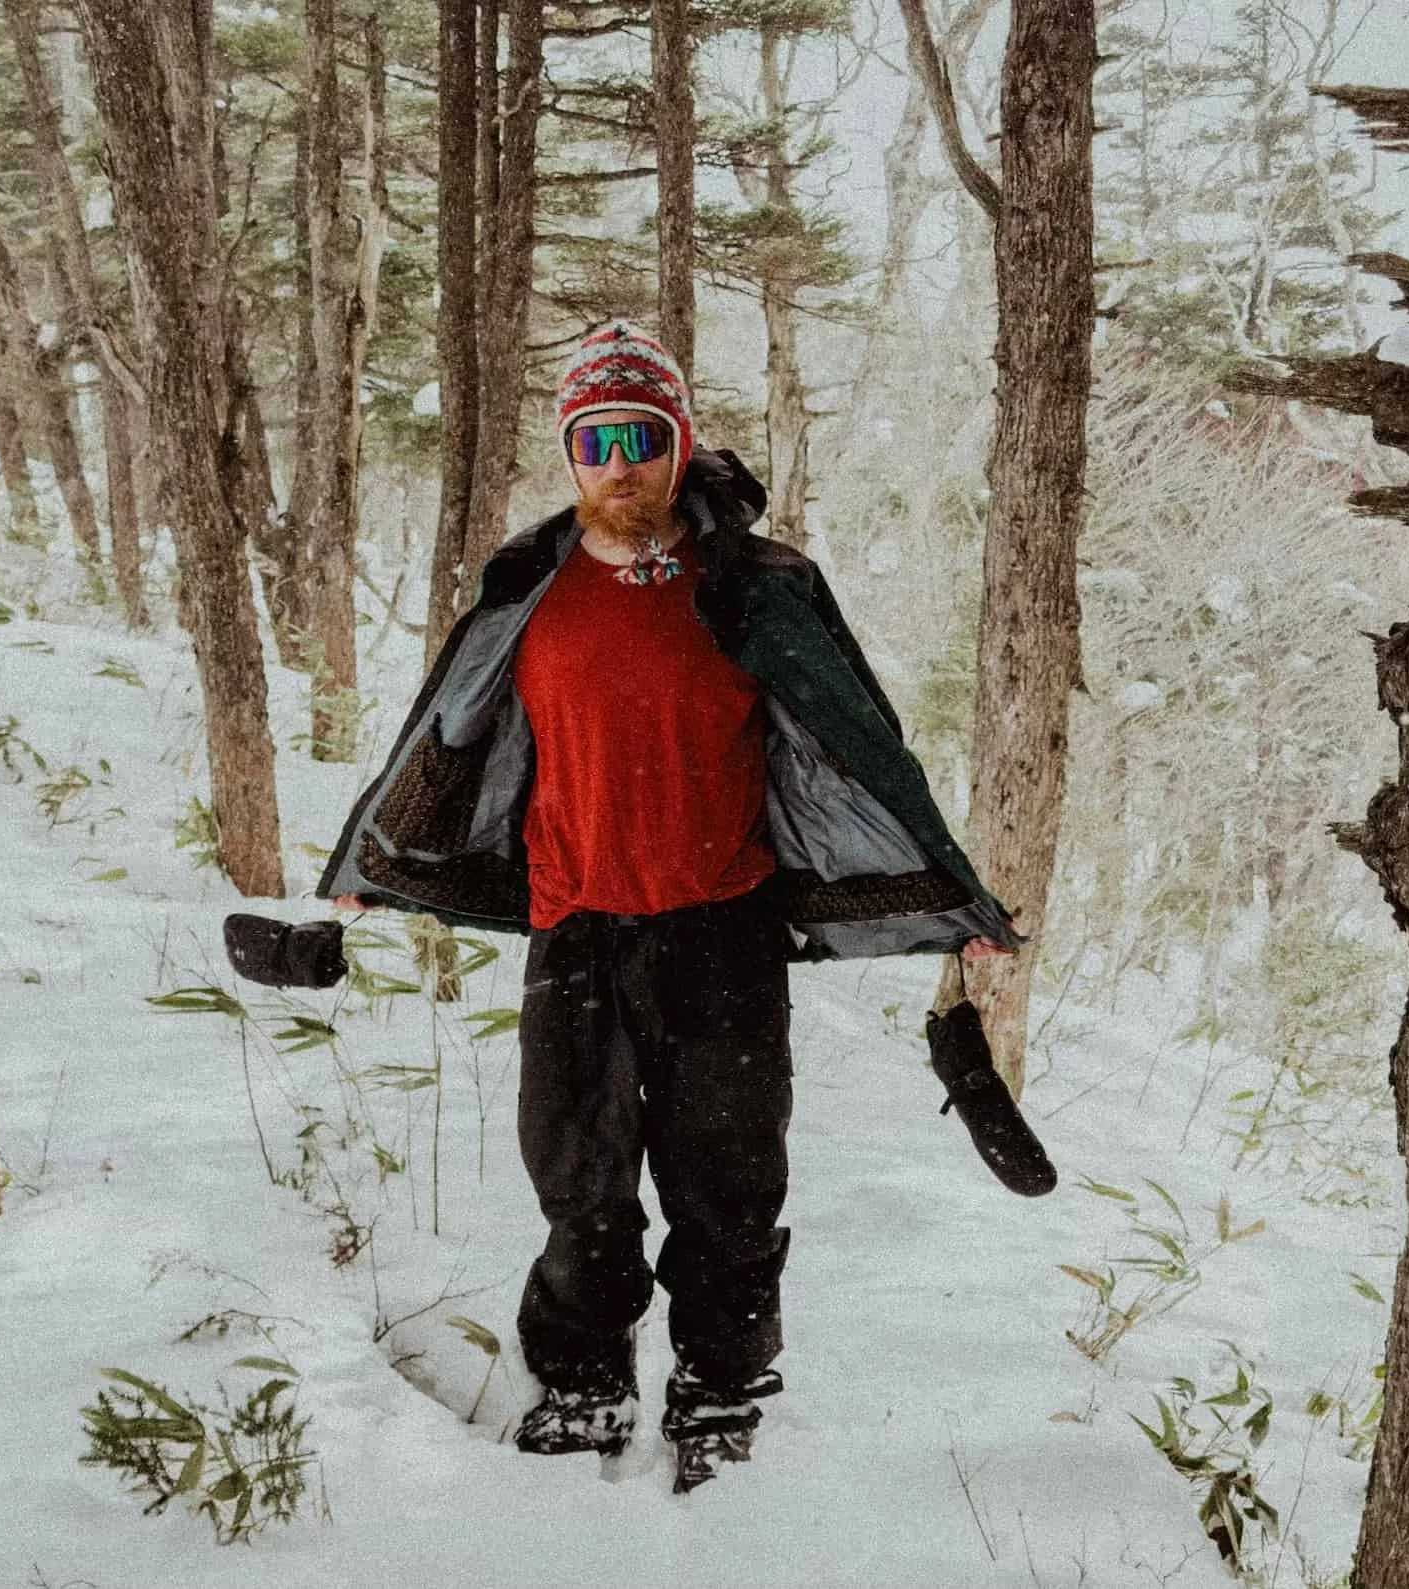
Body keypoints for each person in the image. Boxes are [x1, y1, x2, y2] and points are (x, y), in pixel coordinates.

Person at [317, 321, 1018, 1491]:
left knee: (729, 1185)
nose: (620, 462)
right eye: (597, 440)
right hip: (577, 931)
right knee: (578, 1182)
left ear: (678, 443)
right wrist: (373, 861)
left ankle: (720, 1391)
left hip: (724, 934)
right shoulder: (527, 585)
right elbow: (447, 738)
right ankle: (587, 1387)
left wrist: (950, 889)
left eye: (643, 436)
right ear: (571, 453)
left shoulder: (759, 584)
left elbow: (858, 748)